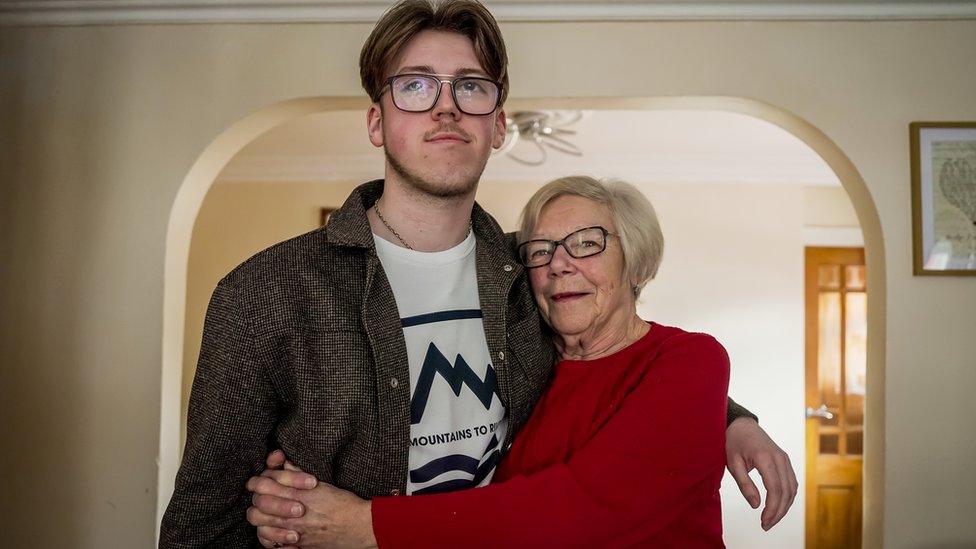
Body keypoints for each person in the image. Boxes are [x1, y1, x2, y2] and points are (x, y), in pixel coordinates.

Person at [159, 1, 796, 547]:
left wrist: (733, 419)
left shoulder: (532, 275)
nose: (446, 108)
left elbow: (627, 361)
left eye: (471, 85)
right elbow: (203, 520)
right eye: (414, 85)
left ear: (497, 124)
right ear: (378, 120)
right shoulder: (268, 290)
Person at [246, 176, 730, 548]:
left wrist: (363, 526)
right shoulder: (529, 358)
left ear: (638, 261)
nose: (559, 264)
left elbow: (581, 511)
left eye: (587, 243)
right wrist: (293, 497)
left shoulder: (692, 359)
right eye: (540, 251)